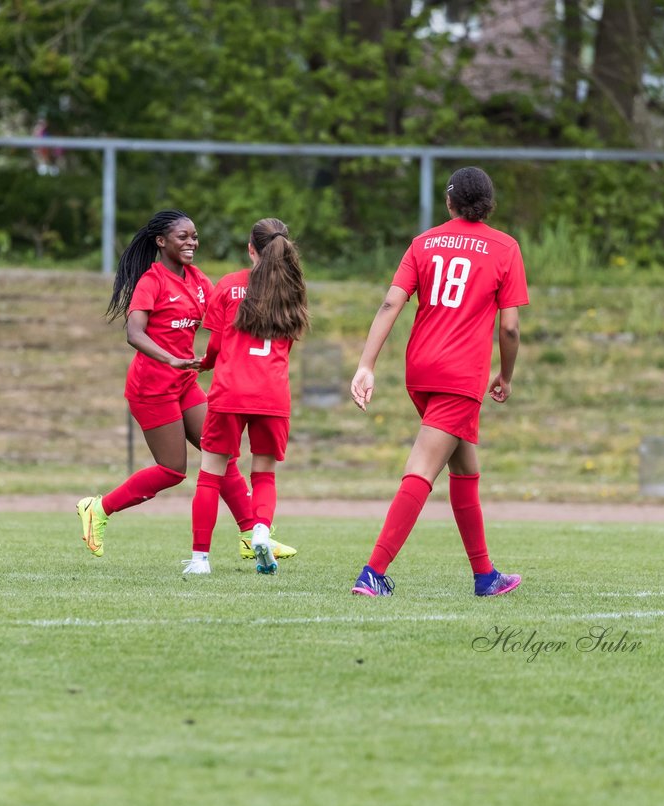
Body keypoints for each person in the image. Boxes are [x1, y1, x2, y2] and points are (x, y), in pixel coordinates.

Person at [77, 209, 297, 563]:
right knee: (173, 470)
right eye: (183, 237)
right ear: (161, 242)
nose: (192, 242)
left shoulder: (199, 281)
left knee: (221, 457)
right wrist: (170, 358)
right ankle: (99, 508)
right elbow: (134, 333)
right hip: (152, 387)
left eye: (194, 236)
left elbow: (230, 313)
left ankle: (249, 535)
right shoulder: (152, 281)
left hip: (185, 383)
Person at [348, 166, 528, 597]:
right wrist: (505, 374)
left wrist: (366, 364)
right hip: (460, 375)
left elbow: (392, 302)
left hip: (421, 371)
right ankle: (373, 571)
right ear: (489, 203)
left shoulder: (423, 242)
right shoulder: (505, 247)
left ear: (449, 202)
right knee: (422, 470)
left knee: (465, 469)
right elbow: (511, 329)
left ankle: (485, 576)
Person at [184, 218, 311, 576]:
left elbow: (215, 345)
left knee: (211, 473)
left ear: (251, 249)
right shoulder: (293, 289)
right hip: (272, 395)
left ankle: (200, 560)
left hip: (229, 391)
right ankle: (259, 532)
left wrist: (205, 364)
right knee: (265, 475)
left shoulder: (228, 285)